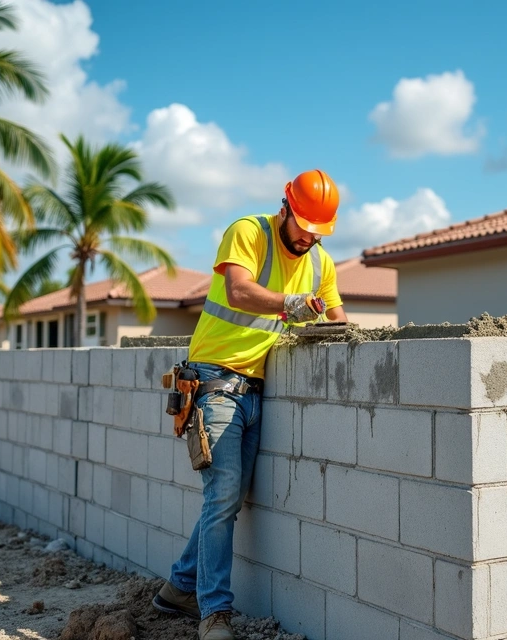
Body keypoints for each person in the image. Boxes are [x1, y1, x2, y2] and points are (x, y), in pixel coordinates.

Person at [151, 169, 348, 639]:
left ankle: (178, 588)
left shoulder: (321, 263)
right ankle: (213, 613)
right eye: (303, 228)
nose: (307, 240)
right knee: (222, 497)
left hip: (257, 391)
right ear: (285, 209)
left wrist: (328, 325)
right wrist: (291, 305)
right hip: (215, 380)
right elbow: (238, 290)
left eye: (317, 233)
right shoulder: (248, 233)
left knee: (231, 497)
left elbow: (340, 323)